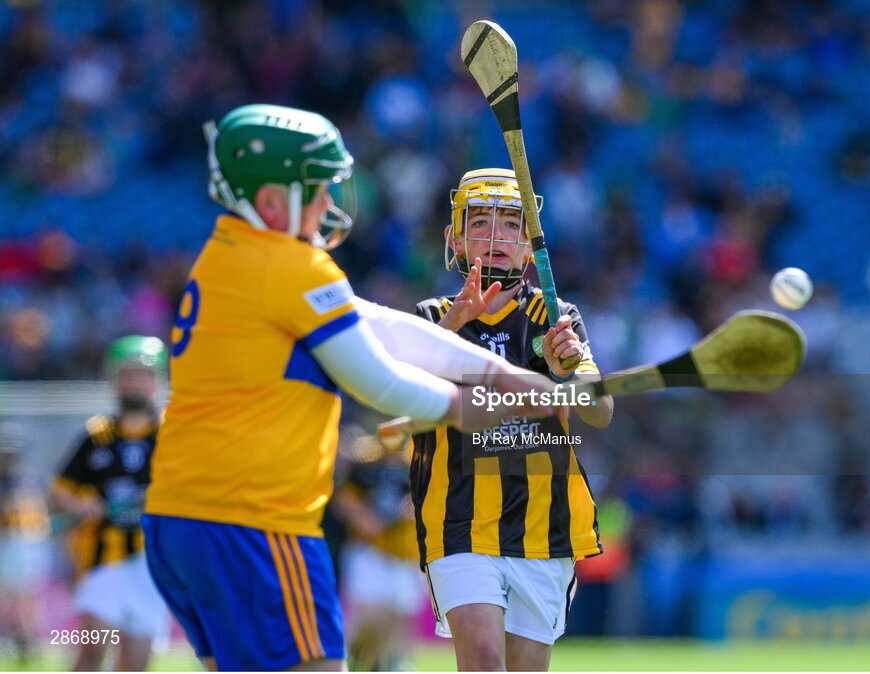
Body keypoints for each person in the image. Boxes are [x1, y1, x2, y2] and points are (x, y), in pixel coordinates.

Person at [142, 104, 554, 672]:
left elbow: (380, 324)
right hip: (254, 522)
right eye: (316, 189)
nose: (328, 204)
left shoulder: (229, 256)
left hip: (177, 522)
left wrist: (500, 374)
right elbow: (376, 376)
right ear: (270, 201)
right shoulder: (292, 266)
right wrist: (464, 406)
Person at [410, 168, 614, 671]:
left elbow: (601, 412)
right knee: (481, 661)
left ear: (530, 245)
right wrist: (452, 330)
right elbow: (403, 406)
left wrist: (570, 372)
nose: (495, 237)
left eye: (511, 225)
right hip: (458, 521)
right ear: (454, 239)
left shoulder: (556, 317)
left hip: (544, 527)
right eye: (480, 222)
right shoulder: (430, 318)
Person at [51, 336, 170, 671]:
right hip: (102, 563)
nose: (133, 382)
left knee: (135, 662)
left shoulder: (172, 436)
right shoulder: (97, 436)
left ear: (156, 381)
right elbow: (60, 490)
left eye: (141, 375)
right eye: (126, 375)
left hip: (151, 566)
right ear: (115, 380)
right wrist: (81, 507)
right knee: (93, 646)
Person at [333, 430, 422, 671]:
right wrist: (365, 517)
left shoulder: (418, 463)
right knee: (371, 616)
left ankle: (393, 665)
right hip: (370, 550)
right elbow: (345, 498)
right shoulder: (366, 462)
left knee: (398, 617)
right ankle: (357, 663)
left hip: (407, 552)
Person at [0, 423, 49, 664]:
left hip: (20, 543)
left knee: (24, 596)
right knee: (14, 596)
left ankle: (27, 641)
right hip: (12, 543)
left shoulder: (21, 480)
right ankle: (18, 639)